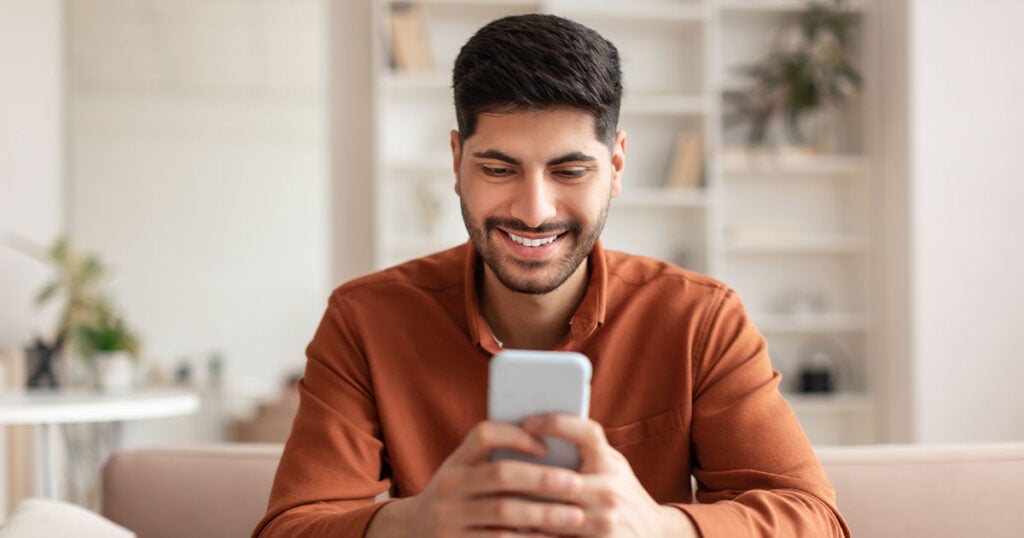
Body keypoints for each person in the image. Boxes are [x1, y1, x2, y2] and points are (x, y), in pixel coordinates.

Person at [254, 14, 849, 537]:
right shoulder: (364, 320)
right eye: (498, 167)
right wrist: (414, 525)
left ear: (615, 166)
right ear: (457, 161)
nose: (534, 210)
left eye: (569, 170)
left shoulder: (701, 319)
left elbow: (816, 521)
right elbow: (290, 527)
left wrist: (660, 528)